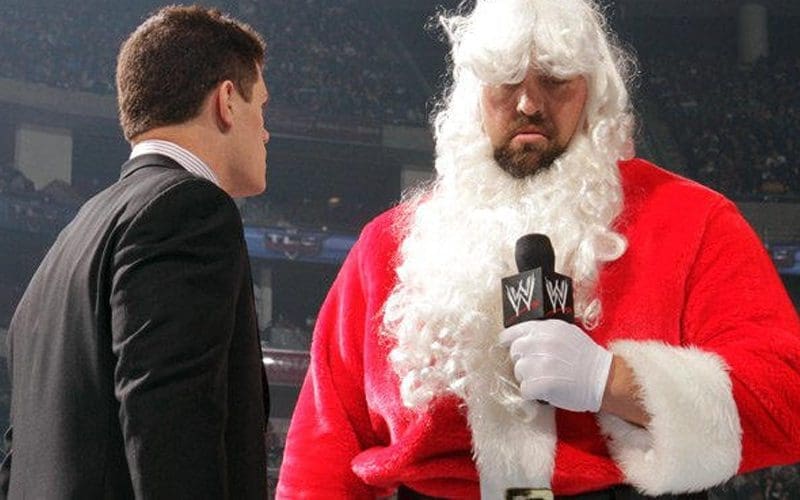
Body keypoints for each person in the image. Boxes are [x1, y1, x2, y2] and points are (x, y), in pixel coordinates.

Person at [277, 0, 800, 498]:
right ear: (474, 93)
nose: (528, 104)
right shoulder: (390, 245)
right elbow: (322, 452)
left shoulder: (693, 220)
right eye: (506, 80)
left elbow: (786, 397)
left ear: (593, 92)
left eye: (554, 79)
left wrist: (612, 382)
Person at [0, 6, 271, 499]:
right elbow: (171, 426)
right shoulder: (188, 209)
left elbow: (19, 457)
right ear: (227, 101)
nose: (266, 131)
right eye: (263, 108)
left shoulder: (69, 241)